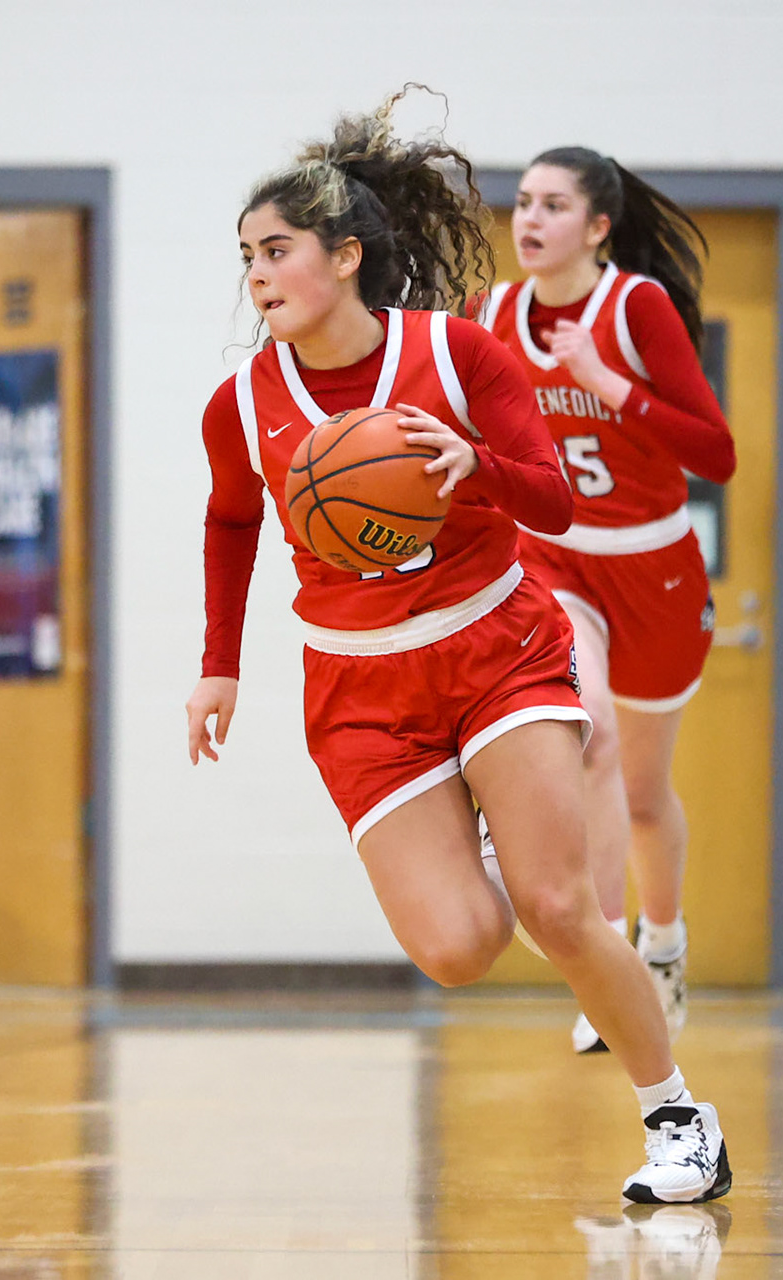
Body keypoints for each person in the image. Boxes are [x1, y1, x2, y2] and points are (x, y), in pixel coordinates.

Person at [184, 94, 731, 1204]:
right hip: (357, 683)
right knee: (459, 945)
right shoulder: (239, 402)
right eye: (246, 255)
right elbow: (232, 520)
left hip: (496, 643)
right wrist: (219, 661)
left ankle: (678, 1115)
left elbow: (554, 507)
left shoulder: (459, 352)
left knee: (561, 905)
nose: (258, 274)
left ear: (345, 256)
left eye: (277, 250)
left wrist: (471, 460)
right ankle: (483, 829)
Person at [479, 149, 736, 1054]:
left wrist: (610, 385)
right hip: (555, 563)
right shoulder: (496, 315)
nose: (530, 219)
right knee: (587, 723)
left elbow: (717, 453)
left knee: (642, 792)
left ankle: (663, 941)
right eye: (521, 203)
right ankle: (608, 959)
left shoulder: (637, 309)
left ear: (596, 228)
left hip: (654, 566)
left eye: (553, 205)